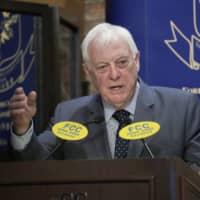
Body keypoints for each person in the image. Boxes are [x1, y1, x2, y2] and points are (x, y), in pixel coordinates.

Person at [8, 23, 200, 172]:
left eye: (122, 62)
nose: (114, 74)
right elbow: (37, 167)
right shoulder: (68, 115)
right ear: (88, 72)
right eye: (102, 67)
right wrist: (22, 128)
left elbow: (195, 177)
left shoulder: (182, 109)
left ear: (137, 61)